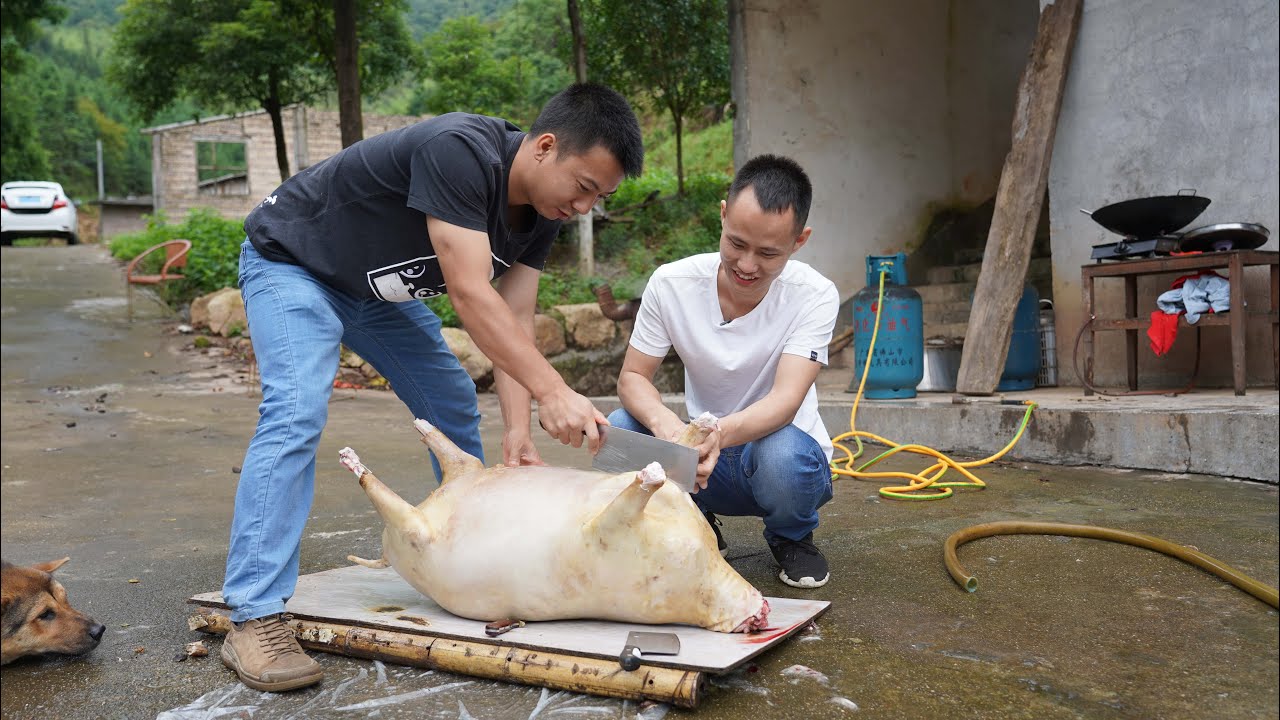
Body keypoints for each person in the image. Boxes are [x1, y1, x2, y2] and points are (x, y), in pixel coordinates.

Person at [220, 83, 643, 692]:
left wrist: (519, 429)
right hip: (293, 262)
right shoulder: (460, 151)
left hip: (369, 293)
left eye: (600, 198)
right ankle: (254, 614)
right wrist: (554, 392)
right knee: (295, 412)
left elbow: (515, 318)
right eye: (583, 187)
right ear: (545, 147)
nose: (584, 207)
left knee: (449, 398)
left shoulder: (543, 213)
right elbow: (470, 294)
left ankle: (463, 554)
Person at [608, 154, 837, 589]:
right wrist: (671, 430)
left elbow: (786, 401)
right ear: (723, 214)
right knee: (620, 427)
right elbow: (633, 378)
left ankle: (791, 536)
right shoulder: (671, 284)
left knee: (783, 454)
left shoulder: (814, 294)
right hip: (701, 463)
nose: (747, 265)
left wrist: (715, 436)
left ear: (799, 240)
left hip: (776, 461)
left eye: (768, 253)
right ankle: (694, 518)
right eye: (736, 243)